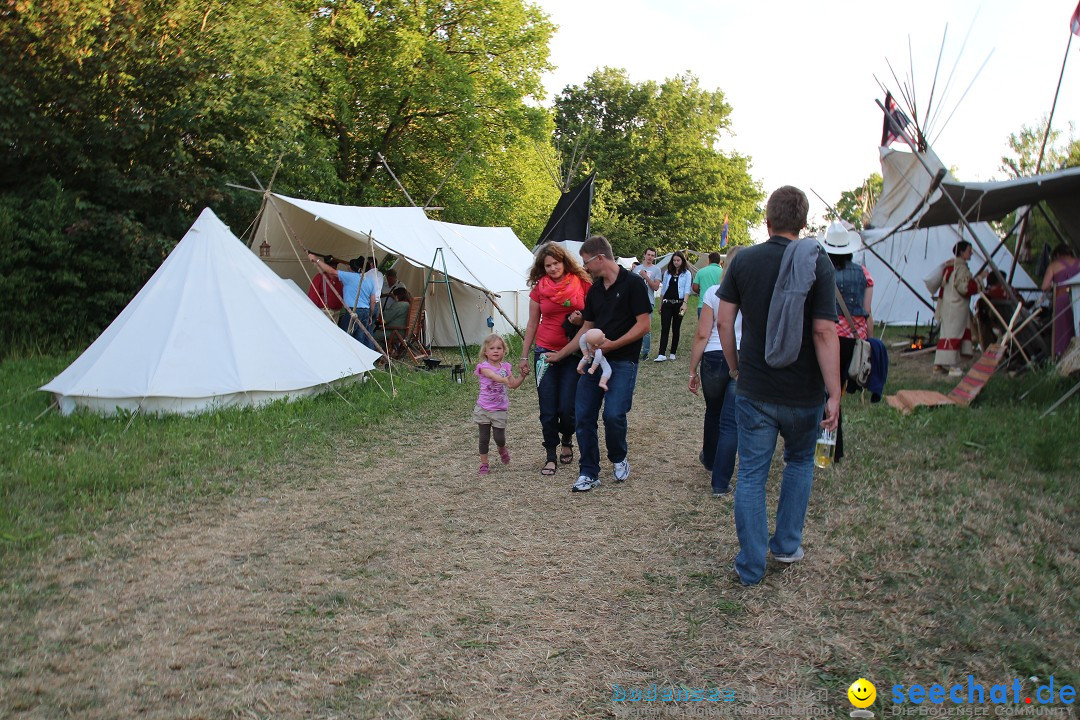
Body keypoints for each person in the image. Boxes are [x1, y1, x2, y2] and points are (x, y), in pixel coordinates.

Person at [715, 186, 840, 586]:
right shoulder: (818, 264)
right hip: (804, 391)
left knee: (751, 475)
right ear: (803, 224)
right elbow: (824, 331)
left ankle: (750, 567)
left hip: (755, 387)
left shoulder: (744, 260)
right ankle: (786, 545)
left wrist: (735, 367)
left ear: (767, 221)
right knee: (800, 463)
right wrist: (834, 392)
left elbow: (723, 322)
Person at [544, 235, 652, 492]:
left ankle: (618, 457)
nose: (585, 268)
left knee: (613, 415)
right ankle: (589, 471)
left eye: (586, 262)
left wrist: (615, 344)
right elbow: (588, 329)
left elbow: (644, 325)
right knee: (583, 416)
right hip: (594, 360)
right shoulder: (594, 290)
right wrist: (561, 354)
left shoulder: (633, 284)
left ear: (600, 258)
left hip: (623, 361)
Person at [519, 243, 591, 477]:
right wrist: (524, 356)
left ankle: (567, 439)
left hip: (574, 352)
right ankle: (550, 454)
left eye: (555, 264)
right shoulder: (540, 288)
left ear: (564, 262)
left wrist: (581, 322)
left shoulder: (582, 283)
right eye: (547, 265)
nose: (551, 268)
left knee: (568, 406)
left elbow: (594, 317)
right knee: (547, 407)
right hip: (544, 353)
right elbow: (532, 323)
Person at [688, 246, 742, 497]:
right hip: (742, 357)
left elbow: (702, 333)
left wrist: (692, 370)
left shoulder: (713, 292)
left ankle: (709, 458)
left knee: (714, 412)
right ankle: (721, 476)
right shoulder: (754, 293)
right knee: (731, 421)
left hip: (713, 356)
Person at [819, 222, 874, 465]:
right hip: (853, 339)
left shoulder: (822, 273)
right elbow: (868, 311)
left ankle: (826, 445)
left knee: (823, 392)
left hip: (827, 337)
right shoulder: (864, 274)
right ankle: (834, 448)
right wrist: (868, 341)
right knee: (837, 391)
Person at [474, 334, 528, 476]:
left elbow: (513, 385)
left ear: (504, 351)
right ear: (485, 351)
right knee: (484, 438)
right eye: (492, 348)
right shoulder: (483, 367)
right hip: (483, 408)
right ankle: (484, 464)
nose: (495, 351)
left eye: (499, 348)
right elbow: (492, 376)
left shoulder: (505, 367)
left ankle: (501, 448)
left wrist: (522, 376)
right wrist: (504, 380)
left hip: (499, 409)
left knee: (499, 437)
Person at [308, 253, 378, 349]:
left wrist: (316, 260)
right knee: (359, 339)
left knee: (345, 337)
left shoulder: (349, 277)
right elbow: (373, 301)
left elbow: (332, 272)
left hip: (353, 311)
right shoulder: (370, 280)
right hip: (365, 312)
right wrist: (370, 315)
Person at [931, 241, 980, 376]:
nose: (971, 253)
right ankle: (952, 366)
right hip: (956, 307)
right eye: (969, 250)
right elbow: (965, 288)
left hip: (947, 305)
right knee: (955, 335)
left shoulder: (950, 267)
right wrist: (980, 280)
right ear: (962, 252)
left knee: (946, 334)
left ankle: (938, 365)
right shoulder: (961, 268)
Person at [1041, 243, 1080, 357]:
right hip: (1078, 298)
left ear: (1057, 254)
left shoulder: (1054, 265)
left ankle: (1063, 355)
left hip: (1062, 299)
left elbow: (1044, 286)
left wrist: (1056, 283)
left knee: (1063, 328)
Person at [654, 250, 692, 362]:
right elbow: (663, 289)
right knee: (665, 328)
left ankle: (673, 352)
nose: (676, 262)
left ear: (682, 261)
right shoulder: (667, 273)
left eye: (678, 260)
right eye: (674, 260)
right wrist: (660, 304)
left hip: (679, 304)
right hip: (667, 303)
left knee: (676, 328)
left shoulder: (687, 273)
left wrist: (684, 303)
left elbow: (687, 290)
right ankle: (661, 353)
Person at [635, 247, 663, 359]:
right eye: (649, 255)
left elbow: (656, 287)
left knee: (645, 328)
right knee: (633, 327)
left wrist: (645, 276)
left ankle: (645, 352)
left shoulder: (656, 270)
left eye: (652, 255)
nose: (650, 257)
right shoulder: (636, 269)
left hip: (648, 301)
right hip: (635, 301)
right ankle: (634, 350)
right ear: (644, 255)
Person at [692, 251, 724, 318]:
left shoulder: (701, 271)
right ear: (719, 261)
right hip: (719, 305)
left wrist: (701, 292)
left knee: (703, 328)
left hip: (703, 304)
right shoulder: (724, 272)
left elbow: (694, 287)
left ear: (709, 260)